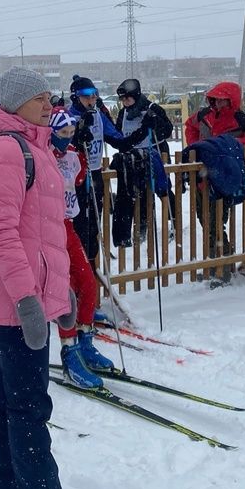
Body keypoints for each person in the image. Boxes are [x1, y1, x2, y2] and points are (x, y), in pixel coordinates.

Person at [0, 67, 95, 489]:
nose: (50, 104)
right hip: (16, 299)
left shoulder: (35, 146)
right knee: (29, 408)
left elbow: (44, 235)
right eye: (41, 98)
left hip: (28, 296)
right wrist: (28, 298)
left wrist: (58, 291)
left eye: (50, 96)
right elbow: (0, 231)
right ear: (16, 102)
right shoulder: (8, 149)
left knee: (4, 398)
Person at [49, 109, 115, 390]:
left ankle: (85, 338)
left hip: (67, 223)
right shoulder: (42, 153)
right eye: (62, 134)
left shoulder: (74, 153)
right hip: (45, 228)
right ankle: (70, 351)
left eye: (71, 134)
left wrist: (84, 156)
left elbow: (78, 181)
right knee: (65, 290)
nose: (67, 139)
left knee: (86, 281)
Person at [183, 81, 245, 284]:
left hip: (224, 179)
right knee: (205, 220)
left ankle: (220, 267)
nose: (219, 103)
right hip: (202, 176)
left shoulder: (242, 120)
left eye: (223, 100)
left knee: (215, 221)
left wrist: (230, 146)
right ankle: (220, 264)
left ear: (232, 100)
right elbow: (189, 126)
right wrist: (198, 146)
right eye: (216, 99)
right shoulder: (204, 115)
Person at [66, 75, 126, 259]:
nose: (92, 99)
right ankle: (77, 265)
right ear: (76, 96)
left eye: (94, 94)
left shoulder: (98, 115)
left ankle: (91, 262)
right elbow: (60, 145)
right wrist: (77, 135)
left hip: (95, 173)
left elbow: (118, 140)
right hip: (74, 178)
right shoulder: (68, 116)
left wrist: (143, 131)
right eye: (86, 95)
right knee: (78, 224)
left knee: (94, 223)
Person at [111, 78, 173, 247]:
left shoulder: (151, 108)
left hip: (154, 153)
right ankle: (142, 228)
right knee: (141, 195)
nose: (124, 102)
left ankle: (173, 220)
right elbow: (118, 131)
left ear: (136, 96)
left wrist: (156, 124)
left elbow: (167, 130)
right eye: (122, 99)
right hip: (133, 158)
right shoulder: (124, 113)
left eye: (127, 98)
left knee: (163, 188)